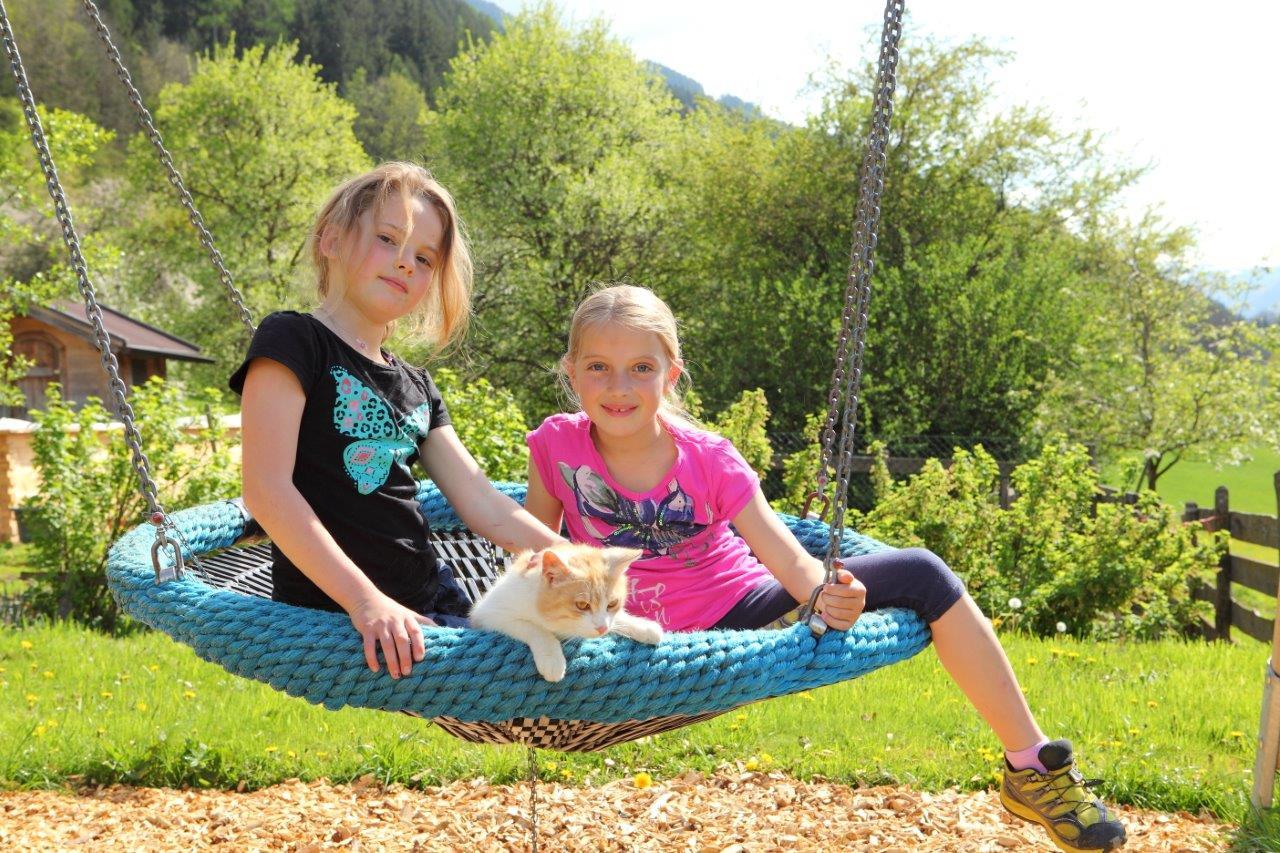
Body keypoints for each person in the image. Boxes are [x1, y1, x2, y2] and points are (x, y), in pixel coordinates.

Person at [523, 284, 1126, 853]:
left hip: (735, 617)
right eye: (598, 366)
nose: (619, 387)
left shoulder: (710, 459)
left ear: (671, 374)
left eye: (641, 367)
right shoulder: (555, 445)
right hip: (614, 626)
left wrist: (823, 595)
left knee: (924, 572)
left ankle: (1031, 765)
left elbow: (786, 557)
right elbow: (533, 551)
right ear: (571, 372)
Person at [230, 162, 563, 683]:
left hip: (429, 599)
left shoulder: (417, 385)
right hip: (338, 611)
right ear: (331, 241)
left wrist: (574, 558)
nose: (406, 263)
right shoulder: (295, 341)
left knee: (562, 665)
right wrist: (366, 602)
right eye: (388, 239)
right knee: (527, 681)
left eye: (424, 258)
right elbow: (267, 490)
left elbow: (482, 501)